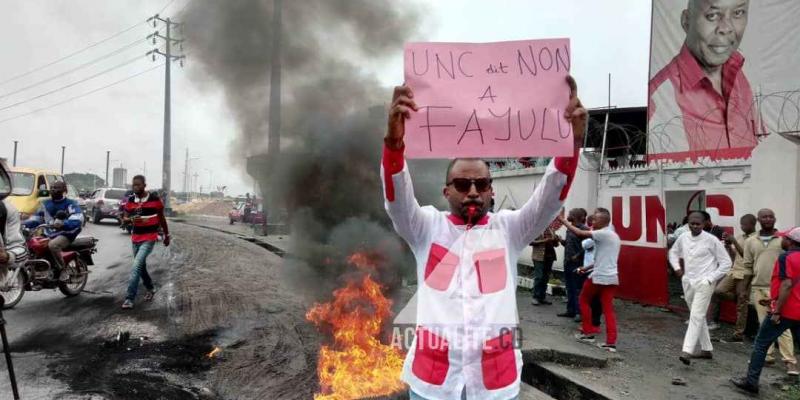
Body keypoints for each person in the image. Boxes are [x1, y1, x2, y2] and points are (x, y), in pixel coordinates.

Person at [383, 77, 586, 399]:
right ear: (446, 191)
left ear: (492, 189)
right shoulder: (425, 228)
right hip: (432, 383)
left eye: (481, 184)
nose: (473, 192)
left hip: (493, 382)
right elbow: (396, 199)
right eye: (463, 185)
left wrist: (572, 143)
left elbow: (550, 196)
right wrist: (393, 144)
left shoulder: (509, 229)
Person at [648, 0, 762, 161]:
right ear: (686, 21)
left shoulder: (742, 78)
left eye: (738, 13)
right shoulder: (659, 96)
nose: (726, 28)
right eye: (712, 15)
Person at [730, 227, 800, 394]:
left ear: (790, 241)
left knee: (761, 344)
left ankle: (751, 382)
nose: (782, 240)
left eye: (784, 238)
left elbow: (787, 284)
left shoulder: (786, 257)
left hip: (785, 311)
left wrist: (777, 311)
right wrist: (773, 298)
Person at [669, 211, 732, 365]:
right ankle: (706, 349)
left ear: (705, 224)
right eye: (692, 223)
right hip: (688, 281)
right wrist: (678, 269)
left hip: (705, 283)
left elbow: (726, 263)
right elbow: (673, 253)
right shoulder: (683, 237)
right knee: (698, 315)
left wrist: (710, 279)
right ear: (688, 223)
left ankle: (687, 350)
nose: (695, 226)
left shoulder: (711, 240)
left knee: (696, 316)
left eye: (698, 223)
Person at [742, 208, 797, 374]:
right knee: (763, 324)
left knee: (782, 326)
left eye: (770, 216)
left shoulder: (783, 240)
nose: (768, 219)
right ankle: (767, 357)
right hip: (759, 286)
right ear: (758, 220)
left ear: (775, 218)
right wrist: (744, 289)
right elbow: (748, 266)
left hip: (781, 289)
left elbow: (792, 263)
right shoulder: (751, 241)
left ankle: (790, 362)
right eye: (764, 217)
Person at [560, 208, 621, 352]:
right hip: (611, 277)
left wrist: (562, 220)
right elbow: (602, 260)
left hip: (599, 276)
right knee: (608, 309)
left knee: (583, 300)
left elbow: (580, 233)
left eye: (595, 219)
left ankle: (588, 333)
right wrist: (586, 268)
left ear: (604, 221)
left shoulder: (603, 233)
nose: (592, 221)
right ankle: (611, 343)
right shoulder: (613, 236)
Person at [120, 175, 171, 310]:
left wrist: (167, 235)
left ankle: (129, 298)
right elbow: (125, 216)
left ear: (144, 185)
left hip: (149, 238)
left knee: (136, 265)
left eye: (138, 185)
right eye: (133, 185)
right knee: (141, 267)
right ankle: (150, 287)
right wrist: (126, 220)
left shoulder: (155, 200)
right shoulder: (131, 200)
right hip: (135, 238)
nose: (135, 187)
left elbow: (162, 219)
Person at [23, 181, 83, 282]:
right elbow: (37, 218)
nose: (53, 190)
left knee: (53, 245)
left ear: (65, 190)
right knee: (31, 244)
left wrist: (64, 224)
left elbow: (78, 219)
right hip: (49, 232)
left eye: (57, 188)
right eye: (52, 188)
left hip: (67, 233)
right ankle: (38, 269)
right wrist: (23, 224)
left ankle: (63, 270)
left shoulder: (71, 203)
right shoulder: (45, 203)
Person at [713, 214, 756, 342]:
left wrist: (734, 242)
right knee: (719, 291)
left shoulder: (756, 239)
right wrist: (728, 246)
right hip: (734, 271)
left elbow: (747, 256)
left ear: (753, 224)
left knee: (741, 306)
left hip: (746, 273)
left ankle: (738, 334)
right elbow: (736, 255)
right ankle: (739, 298)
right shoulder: (740, 237)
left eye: (745, 224)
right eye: (741, 224)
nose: (742, 227)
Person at [558, 208, 588, 318]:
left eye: (570, 214)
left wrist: (578, 255)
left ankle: (579, 312)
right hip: (568, 262)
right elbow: (570, 244)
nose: (568, 215)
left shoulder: (584, 229)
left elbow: (588, 247)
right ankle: (570, 310)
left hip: (578, 264)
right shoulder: (569, 229)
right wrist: (562, 242)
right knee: (569, 287)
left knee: (577, 289)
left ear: (575, 216)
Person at [530, 227, 559, 306]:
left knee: (546, 277)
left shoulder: (551, 229)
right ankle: (535, 297)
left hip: (550, 256)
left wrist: (556, 239)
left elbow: (556, 245)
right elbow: (530, 242)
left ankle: (542, 297)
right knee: (539, 277)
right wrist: (544, 241)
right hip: (538, 257)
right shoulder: (537, 228)